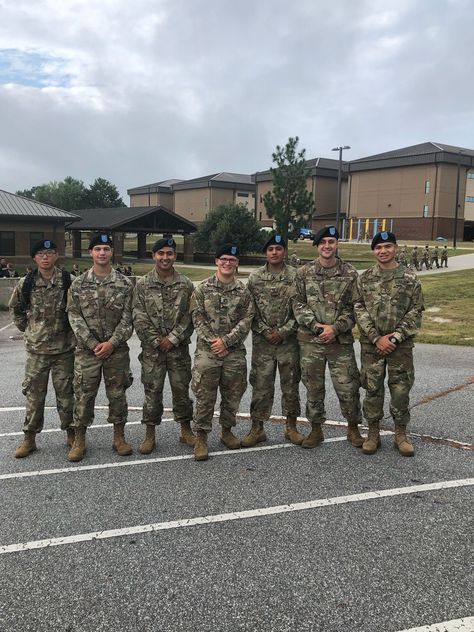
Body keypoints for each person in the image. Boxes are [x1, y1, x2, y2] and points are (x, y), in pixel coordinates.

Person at [354, 231, 424, 457]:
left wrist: (394, 337)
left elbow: (415, 311)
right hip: (371, 345)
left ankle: (400, 434)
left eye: (387, 246)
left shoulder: (410, 278)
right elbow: (359, 309)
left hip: (400, 346)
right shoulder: (364, 279)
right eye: (378, 247)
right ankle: (372, 433)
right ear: (373, 251)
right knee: (372, 389)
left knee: (400, 390)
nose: (383, 251)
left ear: (395, 248)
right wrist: (376, 337)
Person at [293, 226, 363, 449]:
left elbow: (356, 308)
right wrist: (316, 327)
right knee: (313, 386)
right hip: (310, 341)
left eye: (331, 242)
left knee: (348, 386)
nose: (327, 246)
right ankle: (315, 429)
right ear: (317, 246)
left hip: (339, 342)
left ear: (337, 244)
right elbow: (297, 304)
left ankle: (353, 428)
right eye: (323, 242)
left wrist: (336, 328)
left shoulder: (350, 273)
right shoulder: (304, 273)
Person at [67, 233, 134, 462]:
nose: (102, 253)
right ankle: (79, 440)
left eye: (106, 248)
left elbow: (128, 319)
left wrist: (112, 343)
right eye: (98, 249)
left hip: (116, 352)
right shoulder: (78, 284)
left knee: (117, 395)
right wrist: (95, 344)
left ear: (112, 252)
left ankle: (119, 437)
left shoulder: (125, 284)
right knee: (84, 396)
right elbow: (74, 317)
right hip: (88, 352)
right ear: (91, 253)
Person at [8, 239, 75, 457]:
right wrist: (30, 330)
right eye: (40, 253)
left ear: (56, 255)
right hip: (37, 352)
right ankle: (30, 438)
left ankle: (71, 434)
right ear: (34, 258)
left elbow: (77, 311)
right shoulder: (26, 283)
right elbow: (16, 309)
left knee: (66, 395)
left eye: (49, 252)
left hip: (64, 351)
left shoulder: (68, 281)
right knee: (34, 397)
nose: (45, 257)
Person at [190, 243, 254, 461]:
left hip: (233, 351)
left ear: (237, 264)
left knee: (232, 395)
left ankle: (227, 431)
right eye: (224, 259)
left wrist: (227, 342)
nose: (228, 263)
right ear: (216, 261)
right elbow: (197, 318)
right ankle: (201, 438)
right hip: (208, 351)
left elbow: (247, 320)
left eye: (232, 260)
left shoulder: (244, 291)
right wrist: (214, 342)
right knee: (204, 396)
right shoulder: (202, 288)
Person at [133, 238, 195, 453]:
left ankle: (186, 430)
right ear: (154, 256)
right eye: (161, 253)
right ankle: (150, 434)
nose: (165, 257)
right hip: (152, 351)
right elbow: (138, 315)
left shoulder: (185, 284)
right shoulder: (142, 284)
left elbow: (190, 316)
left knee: (181, 391)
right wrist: (156, 340)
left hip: (178, 350)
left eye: (169, 253)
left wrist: (173, 338)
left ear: (175, 256)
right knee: (152, 392)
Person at [244, 234, 303, 447]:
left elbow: (301, 310)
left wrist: (285, 331)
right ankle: (257, 428)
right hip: (263, 342)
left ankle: (291, 427)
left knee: (290, 384)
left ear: (285, 251)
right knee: (261, 385)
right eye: (271, 249)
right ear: (266, 253)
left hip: (289, 342)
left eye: (279, 248)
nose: (275, 252)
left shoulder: (297, 276)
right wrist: (265, 330)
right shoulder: (255, 277)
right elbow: (249, 310)